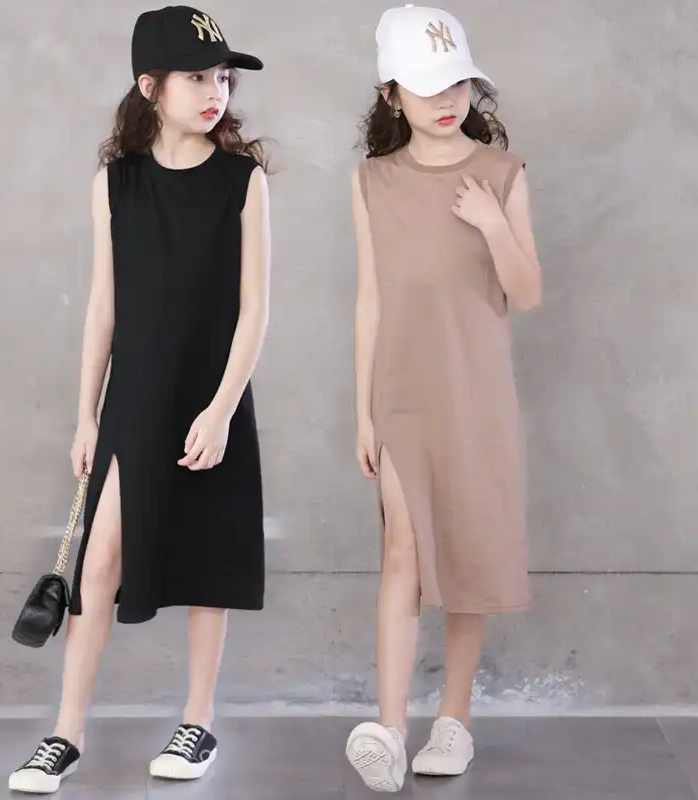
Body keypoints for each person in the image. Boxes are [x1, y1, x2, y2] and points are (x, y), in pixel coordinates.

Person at [8, 5, 271, 794]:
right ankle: (65, 733)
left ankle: (199, 721)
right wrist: (86, 415)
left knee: (209, 554)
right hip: (137, 394)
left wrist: (222, 409)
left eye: (222, 77)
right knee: (100, 562)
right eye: (197, 77)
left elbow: (256, 310)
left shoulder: (243, 181)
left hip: (212, 394)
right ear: (150, 85)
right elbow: (104, 307)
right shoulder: (117, 182)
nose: (215, 92)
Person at [344, 5, 542, 793]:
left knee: (466, 549)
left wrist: (493, 223)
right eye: (427, 86)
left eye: (457, 81)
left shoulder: (503, 172)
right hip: (401, 392)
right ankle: (390, 729)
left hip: (476, 391)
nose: (446, 99)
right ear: (390, 94)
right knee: (402, 549)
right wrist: (362, 411)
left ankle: (453, 721)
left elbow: (527, 291)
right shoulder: (372, 181)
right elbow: (369, 300)